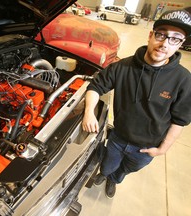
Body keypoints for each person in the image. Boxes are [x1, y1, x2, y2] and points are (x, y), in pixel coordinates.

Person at [82, 9, 191, 199]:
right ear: (150, 35)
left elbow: (180, 120)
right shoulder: (122, 67)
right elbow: (95, 86)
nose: (165, 43)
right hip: (117, 138)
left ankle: (113, 180)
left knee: (125, 170)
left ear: (181, 44)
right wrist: (89, 112)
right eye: (161, 34)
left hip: (146, 148)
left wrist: (162, 149)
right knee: (107, 164)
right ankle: (105, 174)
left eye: (175, 39)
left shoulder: (184, 80)